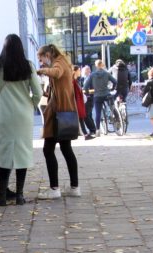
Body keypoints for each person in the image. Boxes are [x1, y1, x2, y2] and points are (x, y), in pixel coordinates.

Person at [0, 34, 42, 206]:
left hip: (3, 115)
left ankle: (1, 195)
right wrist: (30, 104)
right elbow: (38, 92)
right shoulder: (28, 66)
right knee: (22, 152)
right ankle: (19, 195)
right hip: (23, 115)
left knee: (4, 152)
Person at [36, 44, 79, 199]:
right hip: (65, 111)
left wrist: (41, 71)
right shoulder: (63, 61)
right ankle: (75, 187)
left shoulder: (58, 62)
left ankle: (54, 189)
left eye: (41, 58)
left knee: (48, 150)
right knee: (66, 149)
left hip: (58, 113)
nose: (41, 62)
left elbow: (56, 72)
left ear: (48, 54)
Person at [83, 59, 115, 135]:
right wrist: (112, 88)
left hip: (97, 96)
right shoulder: (107, 73)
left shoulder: (92, 75)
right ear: (102, 65)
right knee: (111, 104)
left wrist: (87, 93)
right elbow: (115, 81)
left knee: (98, 113)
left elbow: (85, 86)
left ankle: (97, 130)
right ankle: (113, 115)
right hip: (106, 94)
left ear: (96, 66)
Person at [73, 66, 94, 139]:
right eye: (79, 70)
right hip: (76, 102)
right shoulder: (73, 81)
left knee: (81, 118)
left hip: (79, 102)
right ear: (74, 71)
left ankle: (85, 134)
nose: (80, 71)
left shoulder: (76, 80)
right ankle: (85, 134)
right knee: (80, 118)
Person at [80, 65, 96, 138]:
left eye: (87, 70)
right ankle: (92, 129)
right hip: (85, 98)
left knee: (86, 115)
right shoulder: (82, 79)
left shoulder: (91, 78)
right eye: (85, 70)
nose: (85, 71)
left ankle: (92, 129)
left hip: (89, 98)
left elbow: (90, 88)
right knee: (88, 115)